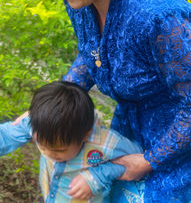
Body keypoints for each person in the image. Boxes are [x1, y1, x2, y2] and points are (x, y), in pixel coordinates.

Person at [14, 0, 191, 201]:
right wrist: (53, 104)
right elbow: (94, 54)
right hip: (128, 131)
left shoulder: (158, 19)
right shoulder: (83, 0)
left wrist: (149, 160)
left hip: (181, 145)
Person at [0, 81, 144, 203]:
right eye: (42, 146)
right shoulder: (38, 125)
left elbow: (137, 159)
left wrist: (97, 176)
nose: (49, 154)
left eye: (60, 150)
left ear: (85, 136)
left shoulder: (105, 143)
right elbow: (6, 136)